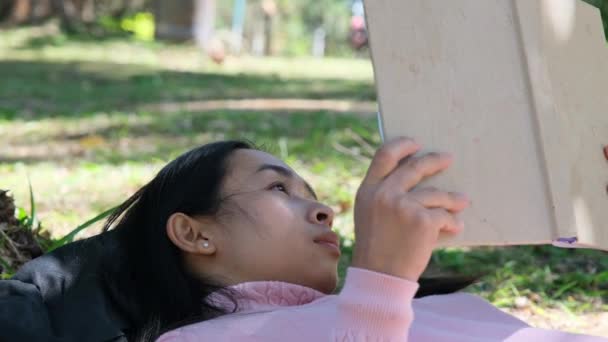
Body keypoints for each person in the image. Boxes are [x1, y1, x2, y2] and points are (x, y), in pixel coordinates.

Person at [0, 139, 605, 341]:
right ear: (194, 232)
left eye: (313, 193)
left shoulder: (419, 307)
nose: (321, 209)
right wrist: (380, 283)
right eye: (280, 191)